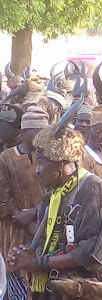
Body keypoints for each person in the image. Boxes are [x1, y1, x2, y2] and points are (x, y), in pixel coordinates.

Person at [7, 104, 102, 299]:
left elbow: (87, 253)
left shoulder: (93, 190)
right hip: (60, 284)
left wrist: (38, 262)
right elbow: (48, 240)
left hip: (94, 287)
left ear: (60, 162)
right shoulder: (51, 196)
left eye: (42, 162)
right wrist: (25, 254)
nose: (36, 170)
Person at [0, 106, 48, 299]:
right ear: (25, 131)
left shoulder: (48, 157)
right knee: (17, 280)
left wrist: (35, 213)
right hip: (13, 230)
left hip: (45, 227)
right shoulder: (5, 158)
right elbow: (2, 198)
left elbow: (56, 192)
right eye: (37, 131)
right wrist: (26, 222)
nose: (41, 136)